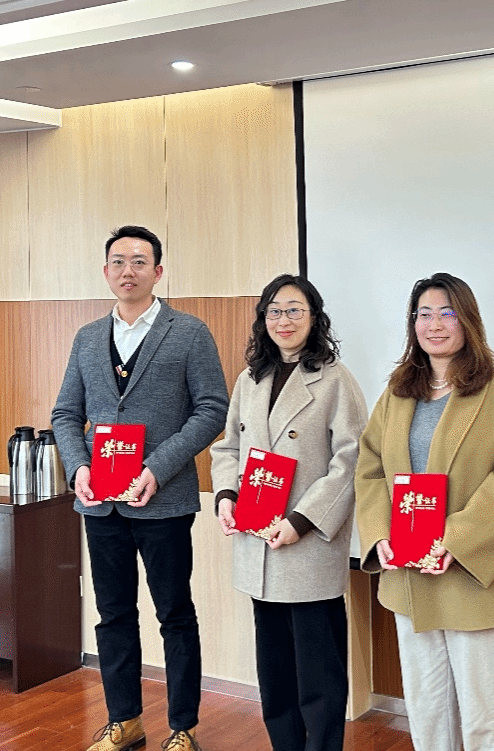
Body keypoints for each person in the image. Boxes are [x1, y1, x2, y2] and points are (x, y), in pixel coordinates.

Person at [52, 225, 229, 751]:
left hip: (164, 500)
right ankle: (124, 720)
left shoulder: (189, 332)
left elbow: (212, 410)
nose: (127, 270)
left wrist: (157, 468)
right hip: (100, 505)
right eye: (118, 261)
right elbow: (66, 414)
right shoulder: (87, 337)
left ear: (158, 271)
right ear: (106, 271)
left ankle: (183, 729)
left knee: (175, 614)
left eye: (138, 261)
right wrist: (78, 469)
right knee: (113, 615)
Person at [354, 273, 494, 751]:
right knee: (426, 709)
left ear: (467, 320)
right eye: (424, 314)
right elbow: (370, 468)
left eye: (447, 313)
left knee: (482, 718)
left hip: (472, 573)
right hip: (409, 572)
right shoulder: (398, 392)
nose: (434, 325)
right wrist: (380, 535)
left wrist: (455, 539)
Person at [210, 274, 368, 751]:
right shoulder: (250, 379)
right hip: (257, 540)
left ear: (314, 317)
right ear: (263, 319)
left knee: (318, 674)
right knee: (275, 672)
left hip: (306, 543)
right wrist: (226, 496)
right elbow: (228, 447)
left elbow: (351, 460)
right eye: (274, 311)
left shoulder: (335, 379)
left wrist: (300, 522)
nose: (284, 320)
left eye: (295, 310)